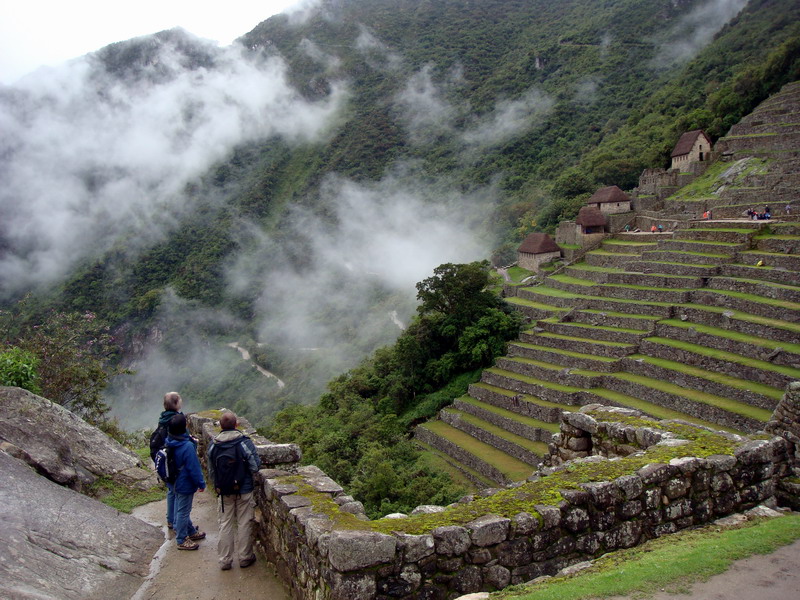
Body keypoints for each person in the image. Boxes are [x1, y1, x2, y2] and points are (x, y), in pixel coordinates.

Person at [207, 411, 261, 570]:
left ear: (221, 426)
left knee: (225, 523)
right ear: (236, 424)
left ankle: (225, 560)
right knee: (244, 522)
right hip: (244, 489)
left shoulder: (213, 446)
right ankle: (245, 557)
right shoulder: (244, 442)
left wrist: (219, 485)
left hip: (224, 492)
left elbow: (211, 472)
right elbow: (255, 466)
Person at [166, 413, 206, 550]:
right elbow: (194, 468)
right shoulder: (187, 447)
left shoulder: (170, 441)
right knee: (183, 511)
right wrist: (201, 483)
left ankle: (191, 531)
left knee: (182, 508)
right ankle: (182, 539)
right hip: (184, 483)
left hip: (174, 481)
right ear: (184, 427)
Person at [154, 391, 183, 530]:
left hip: (165, 463)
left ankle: (171, 520)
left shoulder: (163, 419)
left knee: (171, 491)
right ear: (176, 403)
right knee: (179, 494)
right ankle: (180, 525)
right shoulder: (176, 421)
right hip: (175, 464)